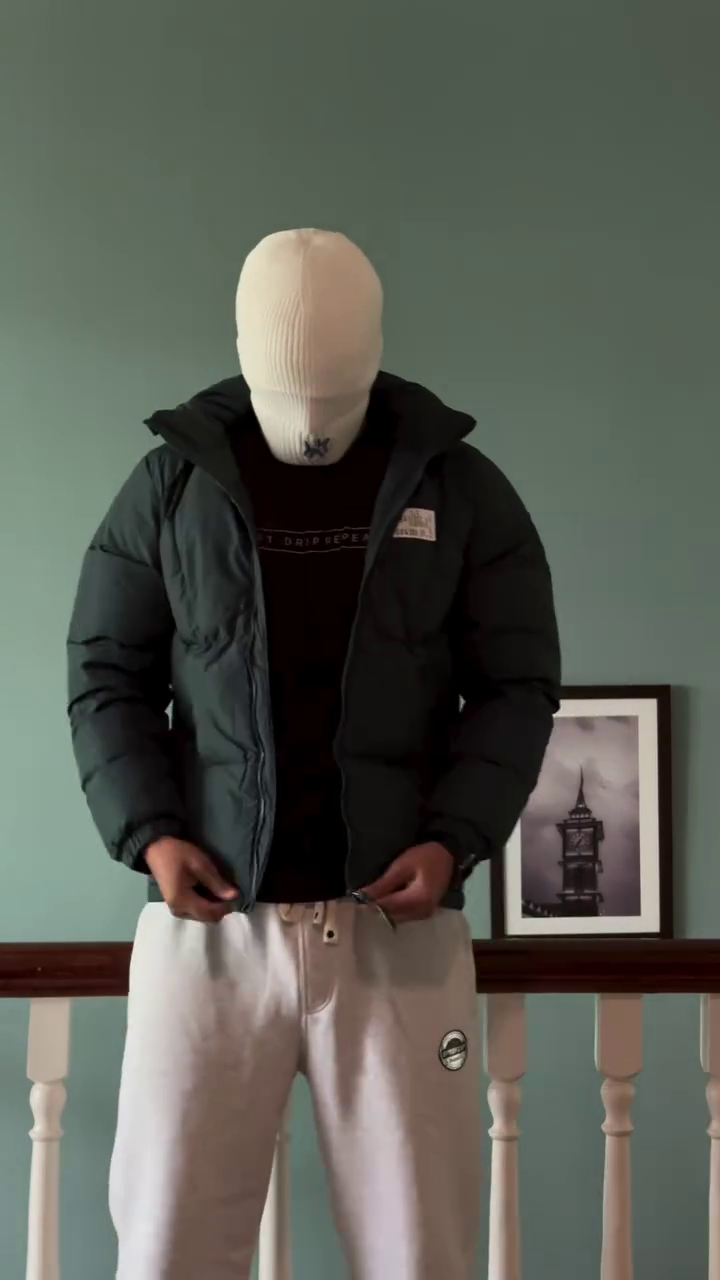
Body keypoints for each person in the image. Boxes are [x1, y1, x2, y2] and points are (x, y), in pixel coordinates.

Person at [67, 229, 561, 1280]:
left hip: (400, 936)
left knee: (422, 1254)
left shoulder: (460, 489)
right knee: (164, 1251)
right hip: (206, 939)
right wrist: (150, 834)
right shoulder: (169, 487)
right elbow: (107, 673)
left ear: (371, 352)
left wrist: (455, 837)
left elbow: (517, 684)